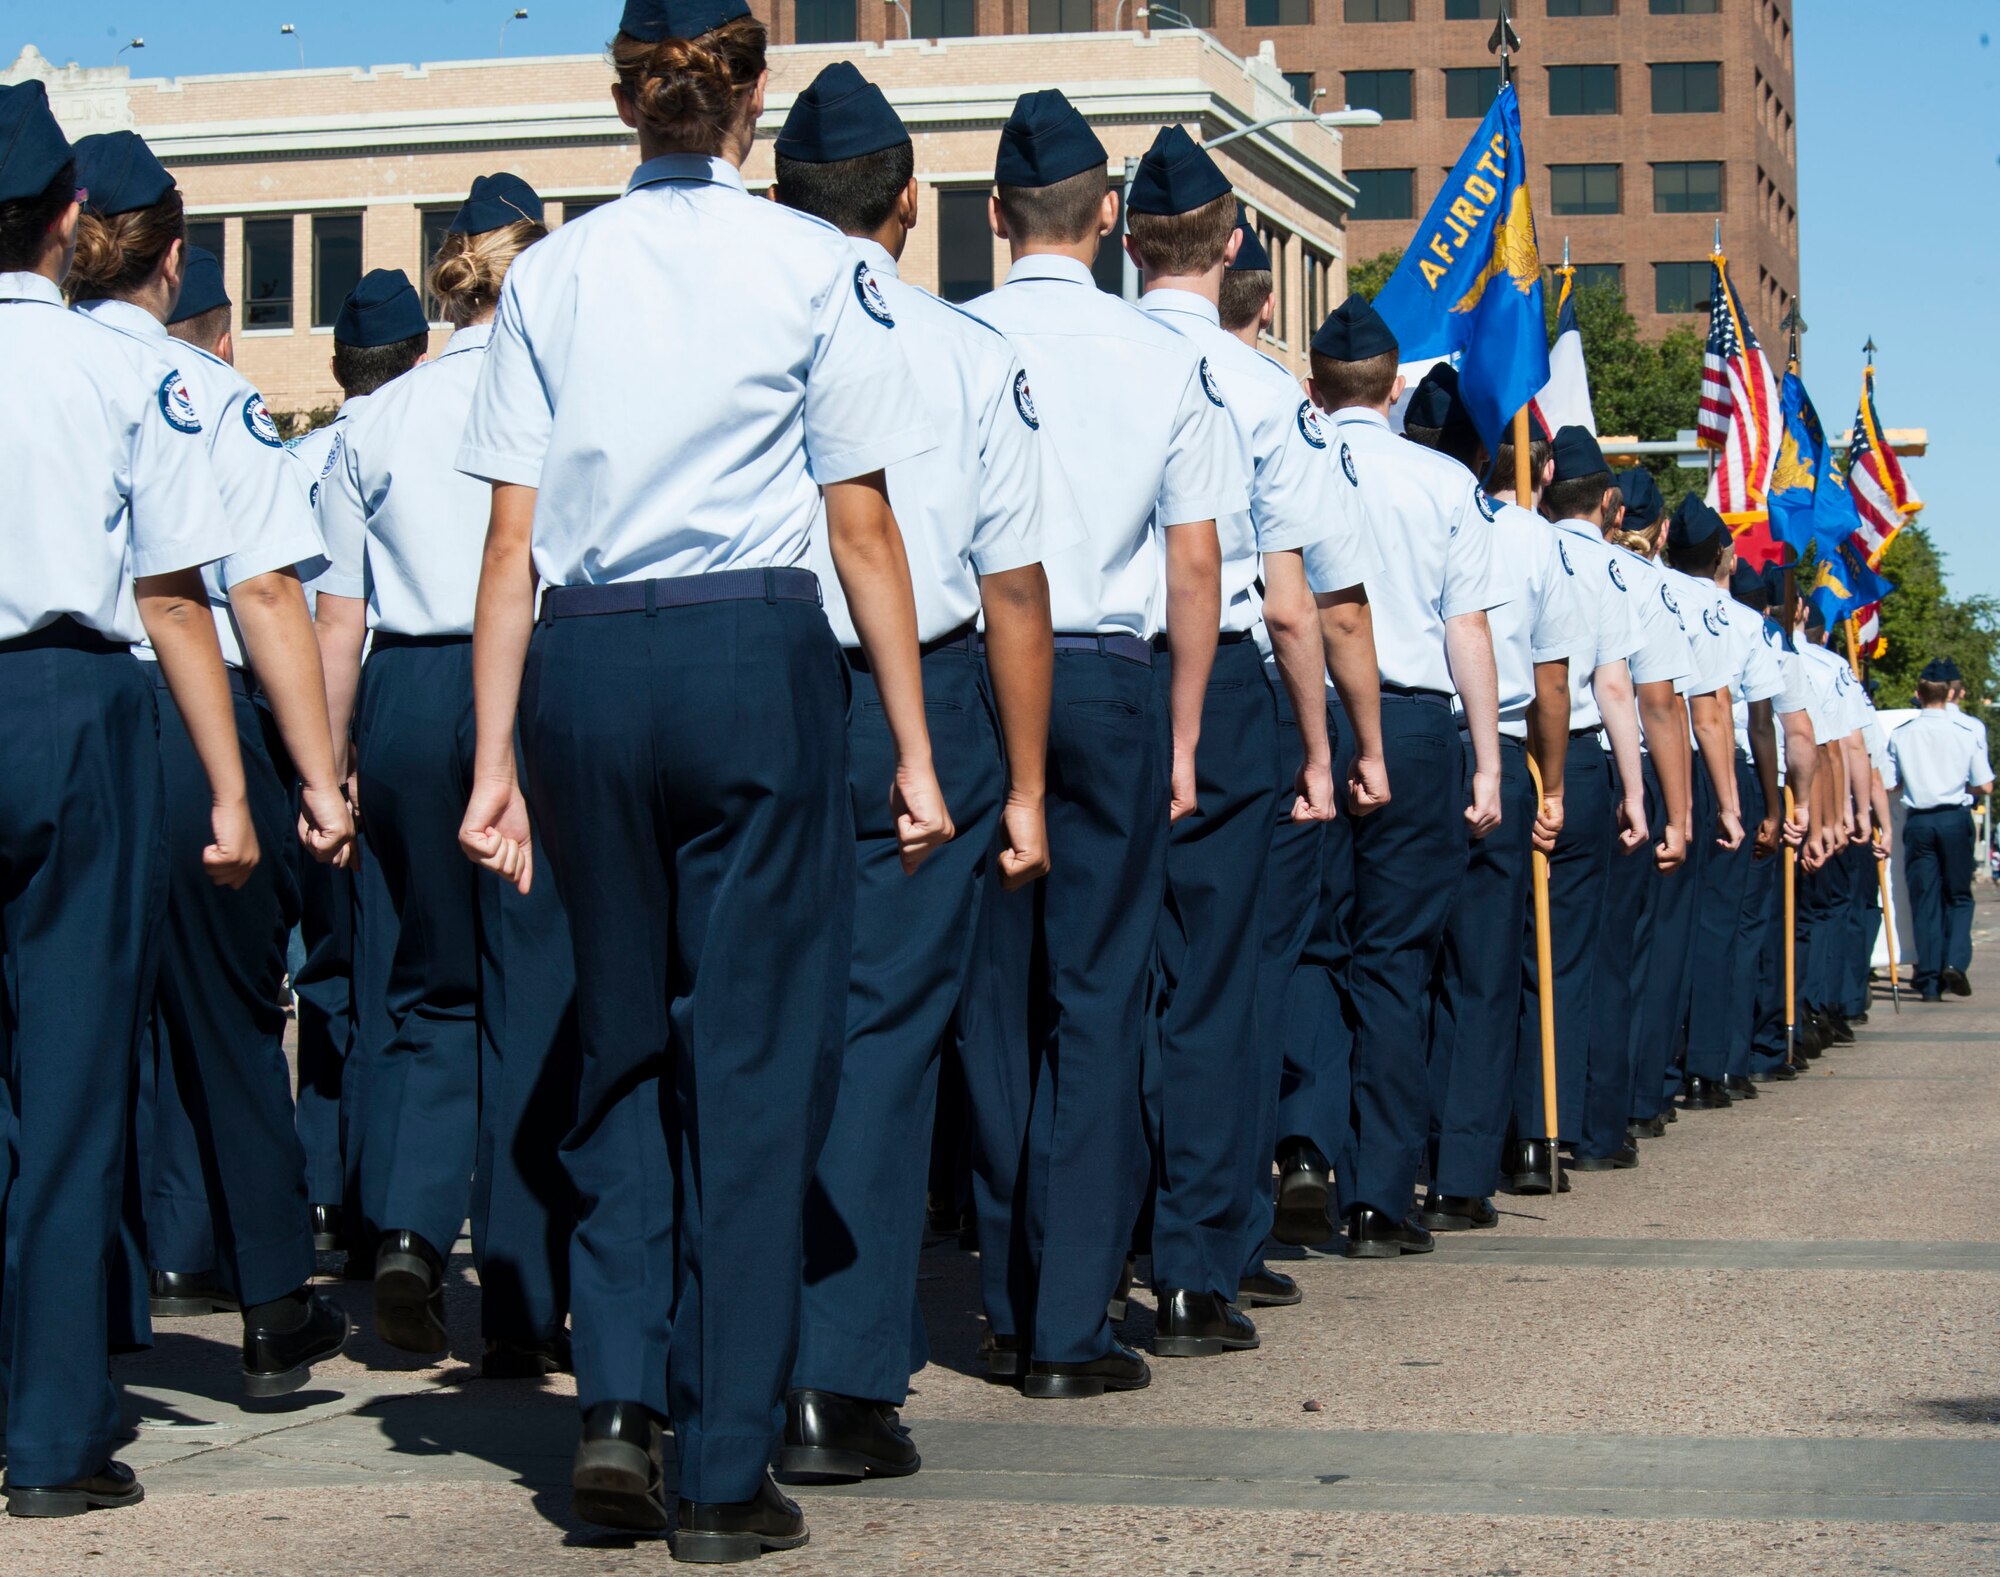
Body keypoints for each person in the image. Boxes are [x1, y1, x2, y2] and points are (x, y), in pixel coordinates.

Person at [454, 2, 946, 1557]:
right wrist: (918, 749)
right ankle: (726, 1468)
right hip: (750, 649)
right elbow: (860, 520)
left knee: (613, 1049)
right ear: (751, 99)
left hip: (584, 664)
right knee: (749, 1059)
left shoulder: (553, 270)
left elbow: (511, 544)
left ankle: (614, 1408)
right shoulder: (820, 264)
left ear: (624, 99)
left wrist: (491, 759)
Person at [767, 62, 1062, 1480]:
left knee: (737, 1021)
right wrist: (1015, 778)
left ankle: (718, 1353)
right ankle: (836, 1377)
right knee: (881, 1037)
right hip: (917, 683)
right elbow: (1012, 588)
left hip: (738, 669)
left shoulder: (735, 315)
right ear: (911, 205)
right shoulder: (961, 350)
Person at [956, 90, 1240, 1398]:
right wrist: (1184, 733)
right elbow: (1197, 563)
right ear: (1108, 218)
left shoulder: (948, 342)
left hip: (975, 672)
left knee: (992, 1007)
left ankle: (1009, 1296)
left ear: (998, 216)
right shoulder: (1162, 359)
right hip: (1116, 679)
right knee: (1099, 999)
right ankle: (1068, 1321)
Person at [0, 81, 252, 1516]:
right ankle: (50, 1435)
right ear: (71, 218)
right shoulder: (118, 374)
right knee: (76, 1070)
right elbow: (171, 595)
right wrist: (227, 783)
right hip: (73, 703)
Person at [67, 128, 353, 1392]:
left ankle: (90, 1294)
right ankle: (274, 1295)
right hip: (185, 719)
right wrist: (317, 775)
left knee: (70, 1030)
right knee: (230, 1021)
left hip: (57, 700)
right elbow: (269, 594)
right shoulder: (206, 393)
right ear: (175, 259)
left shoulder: (39, 367)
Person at [314, 186, 582, 1377]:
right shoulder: (557, 394)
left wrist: (330, 765)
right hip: (515, 677)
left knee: (427, 981)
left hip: (405, 691)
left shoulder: (373, 417)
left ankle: (413, 1223)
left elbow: (339, 614)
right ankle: (521, 1290)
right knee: (531, 985)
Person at [1125, 127, 1378, 1346]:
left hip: (1062, 674)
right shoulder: (1264, 391)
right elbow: (1300, 598)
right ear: (1233, 248)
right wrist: (1321, 748)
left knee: (1089, 981)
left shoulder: (1058, 354)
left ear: (1126, 240)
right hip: (1220, 689)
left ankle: (1078, 1255)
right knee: (1218, 987)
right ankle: (1197, 1260)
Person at [1298, 295, 1504, 1255]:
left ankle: (1300, 1144)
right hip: (1415, 723)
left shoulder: (1287, 455)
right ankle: (1379, 1191)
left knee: (1303, 945)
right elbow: (1468, 630)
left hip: (1302, 709)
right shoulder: (1441, 483)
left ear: (1317, 384)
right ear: (1392, 388)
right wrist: (1490, 761)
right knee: (1395, 965)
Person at [1408, 396, 1606, 1223]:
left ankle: (1385, 1162)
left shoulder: (1385, 493)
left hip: (1402, 733)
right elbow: (1555, 680)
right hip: (1500, 748)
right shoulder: (1535, 539)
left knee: (1392, 966)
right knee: (1484, 972)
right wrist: (1552, 784)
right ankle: (1460, 1171)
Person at [289, 267, 432, 1267]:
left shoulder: (302, 453)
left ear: (338, 367)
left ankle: (344, 1198)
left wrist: (320, 764)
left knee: (347, 972)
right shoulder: (445, 421)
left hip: (333, 717)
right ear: (412, 356)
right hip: (435, 692)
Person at [1577, 468, 1693, 1152]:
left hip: (1534, 752)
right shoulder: (1648, 584)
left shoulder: (1546, 549)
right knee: (1621, 954)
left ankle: (1536, 1123)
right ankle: (1602, 1118)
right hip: (1622, 765)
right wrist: (1673, 811)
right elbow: (1659, 703)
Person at [1889, 660, 1993, 1001]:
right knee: (1959, 896)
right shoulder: (1966, 731)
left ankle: (1929, 978)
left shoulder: (1902, 733)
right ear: (1950, 693)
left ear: (1918, 695)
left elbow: (1891, 782)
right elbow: (1985, 785)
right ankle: (1956, 961)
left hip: (1919, 820)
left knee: (1925, 899)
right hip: (1953, 816)